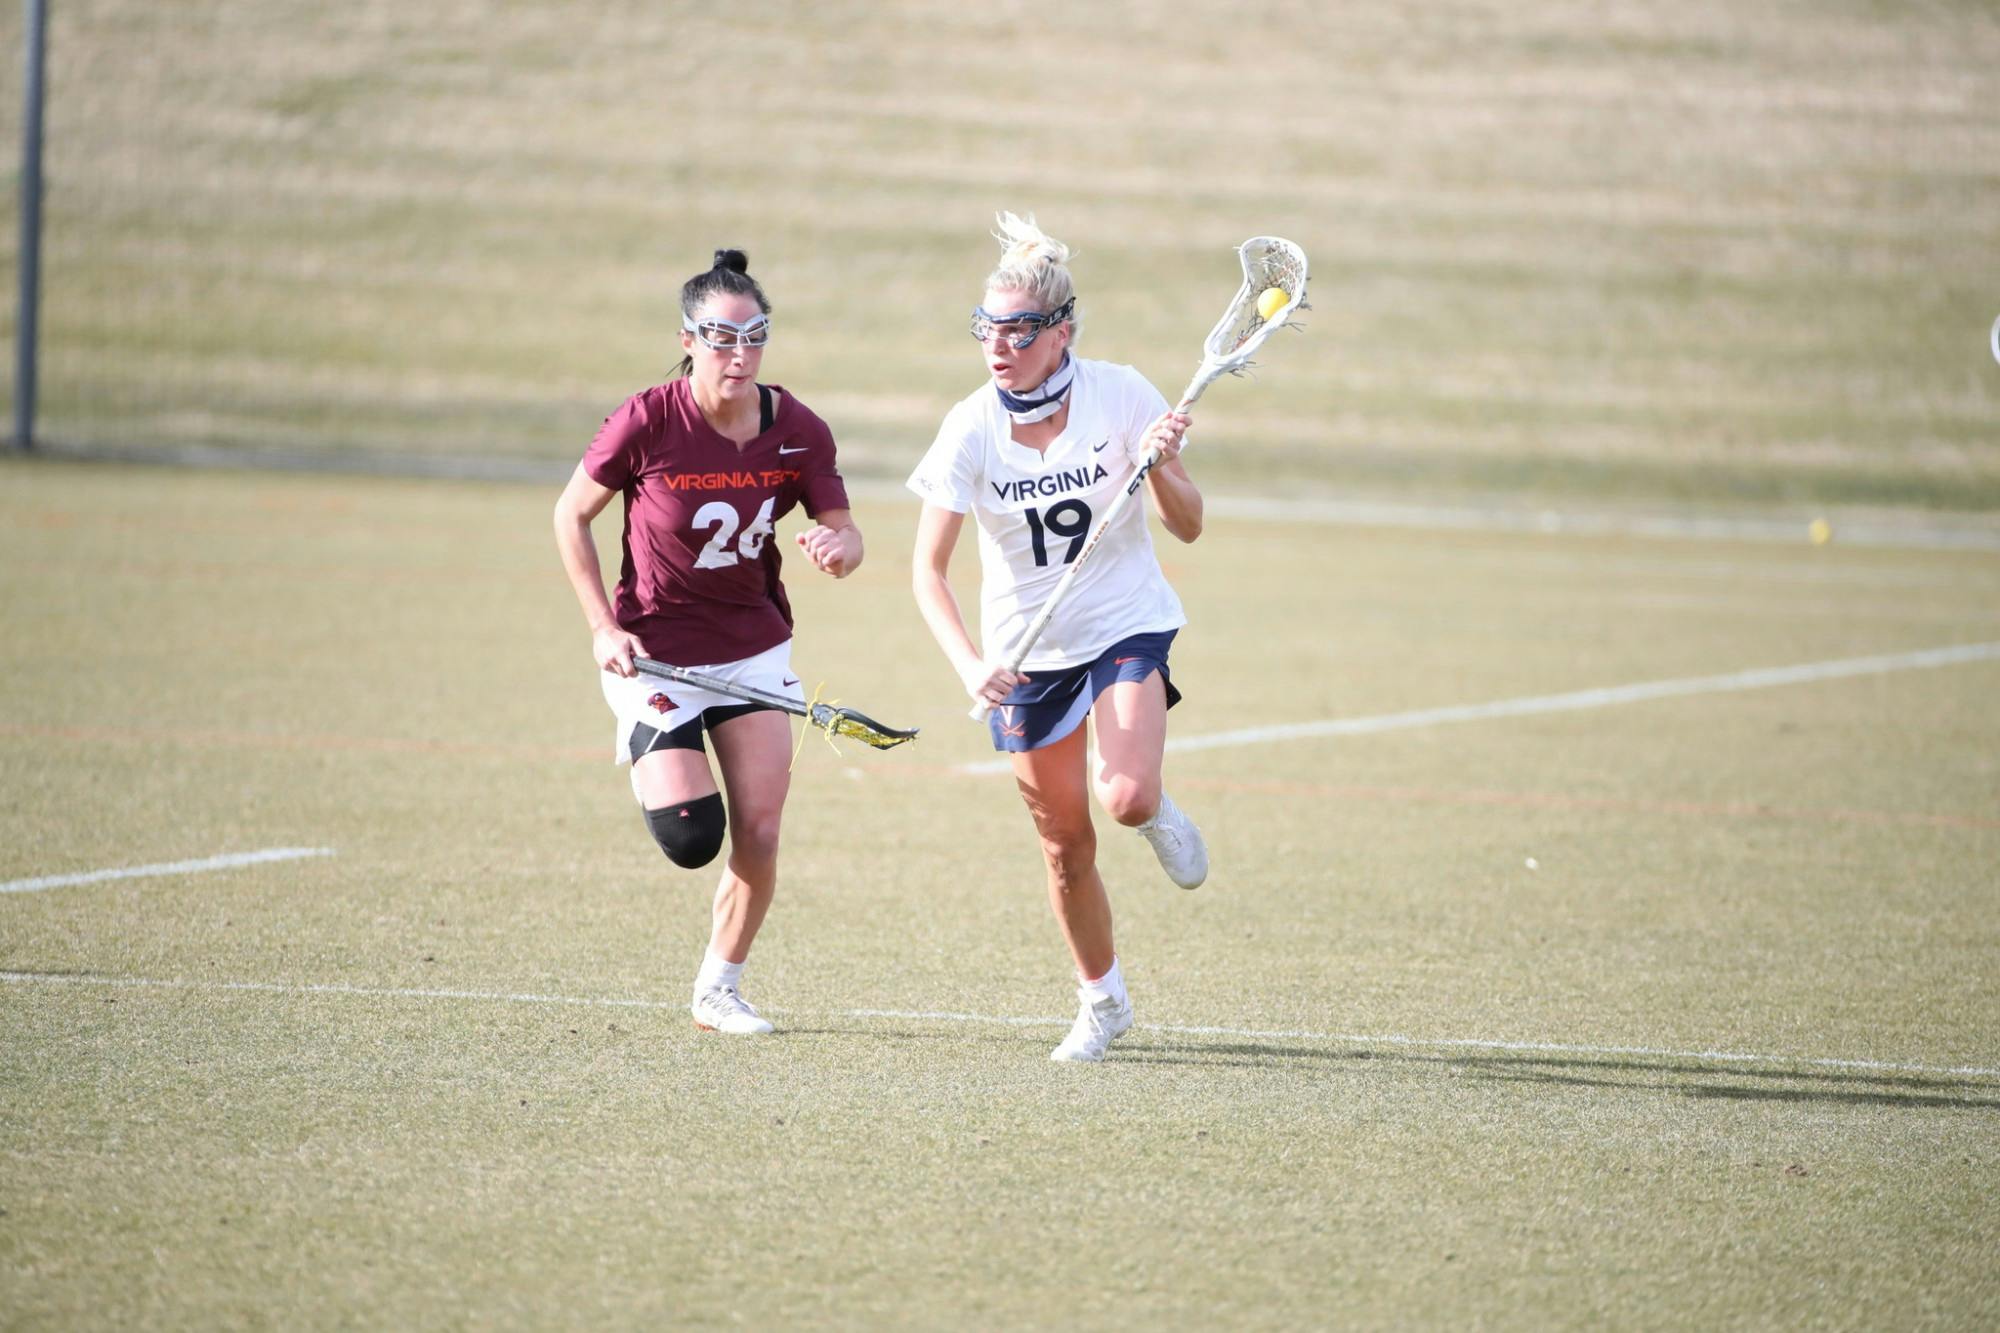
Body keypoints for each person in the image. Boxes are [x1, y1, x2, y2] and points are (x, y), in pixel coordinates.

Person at [908, 213, 1208, 1063]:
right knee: (1064, 844)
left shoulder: (1121, 394)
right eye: (986, 329)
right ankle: (1102, 1000)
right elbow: (927, 571)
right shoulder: (970, 426)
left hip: (1123, 623)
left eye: (1018, 330)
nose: (998, 346)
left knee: (1126, 798)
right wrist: (972, 664)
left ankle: (1159, 812)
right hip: (1026, 651)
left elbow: (1187, 527)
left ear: (1061, 332)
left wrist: (1163, 469)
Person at [554, 249, 862, 1036]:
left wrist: (838, 549)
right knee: (694, 837)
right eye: (720, 338)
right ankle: (655, 738)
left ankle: (718, 989)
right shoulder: (647, 418)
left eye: (753, 336)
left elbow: (845, 530)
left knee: (760, 828)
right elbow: (570, 515)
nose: (738, 354)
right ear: (687, 339)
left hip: (752, 648)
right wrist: (602, 625)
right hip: (654, 651)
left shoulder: (797, 428)